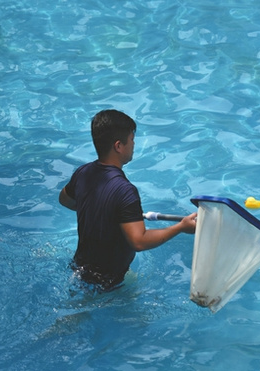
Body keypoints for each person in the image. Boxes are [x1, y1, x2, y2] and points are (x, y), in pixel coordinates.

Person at [59, 109, 197, 290]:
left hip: (79, 267)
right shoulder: (125, 191)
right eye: (132, 139)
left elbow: (64, 200)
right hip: (109, 282)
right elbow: (139, 241)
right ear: (118, 146)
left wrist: (102, 211)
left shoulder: (83, 173)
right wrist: (180, 227)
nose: (133, 144)